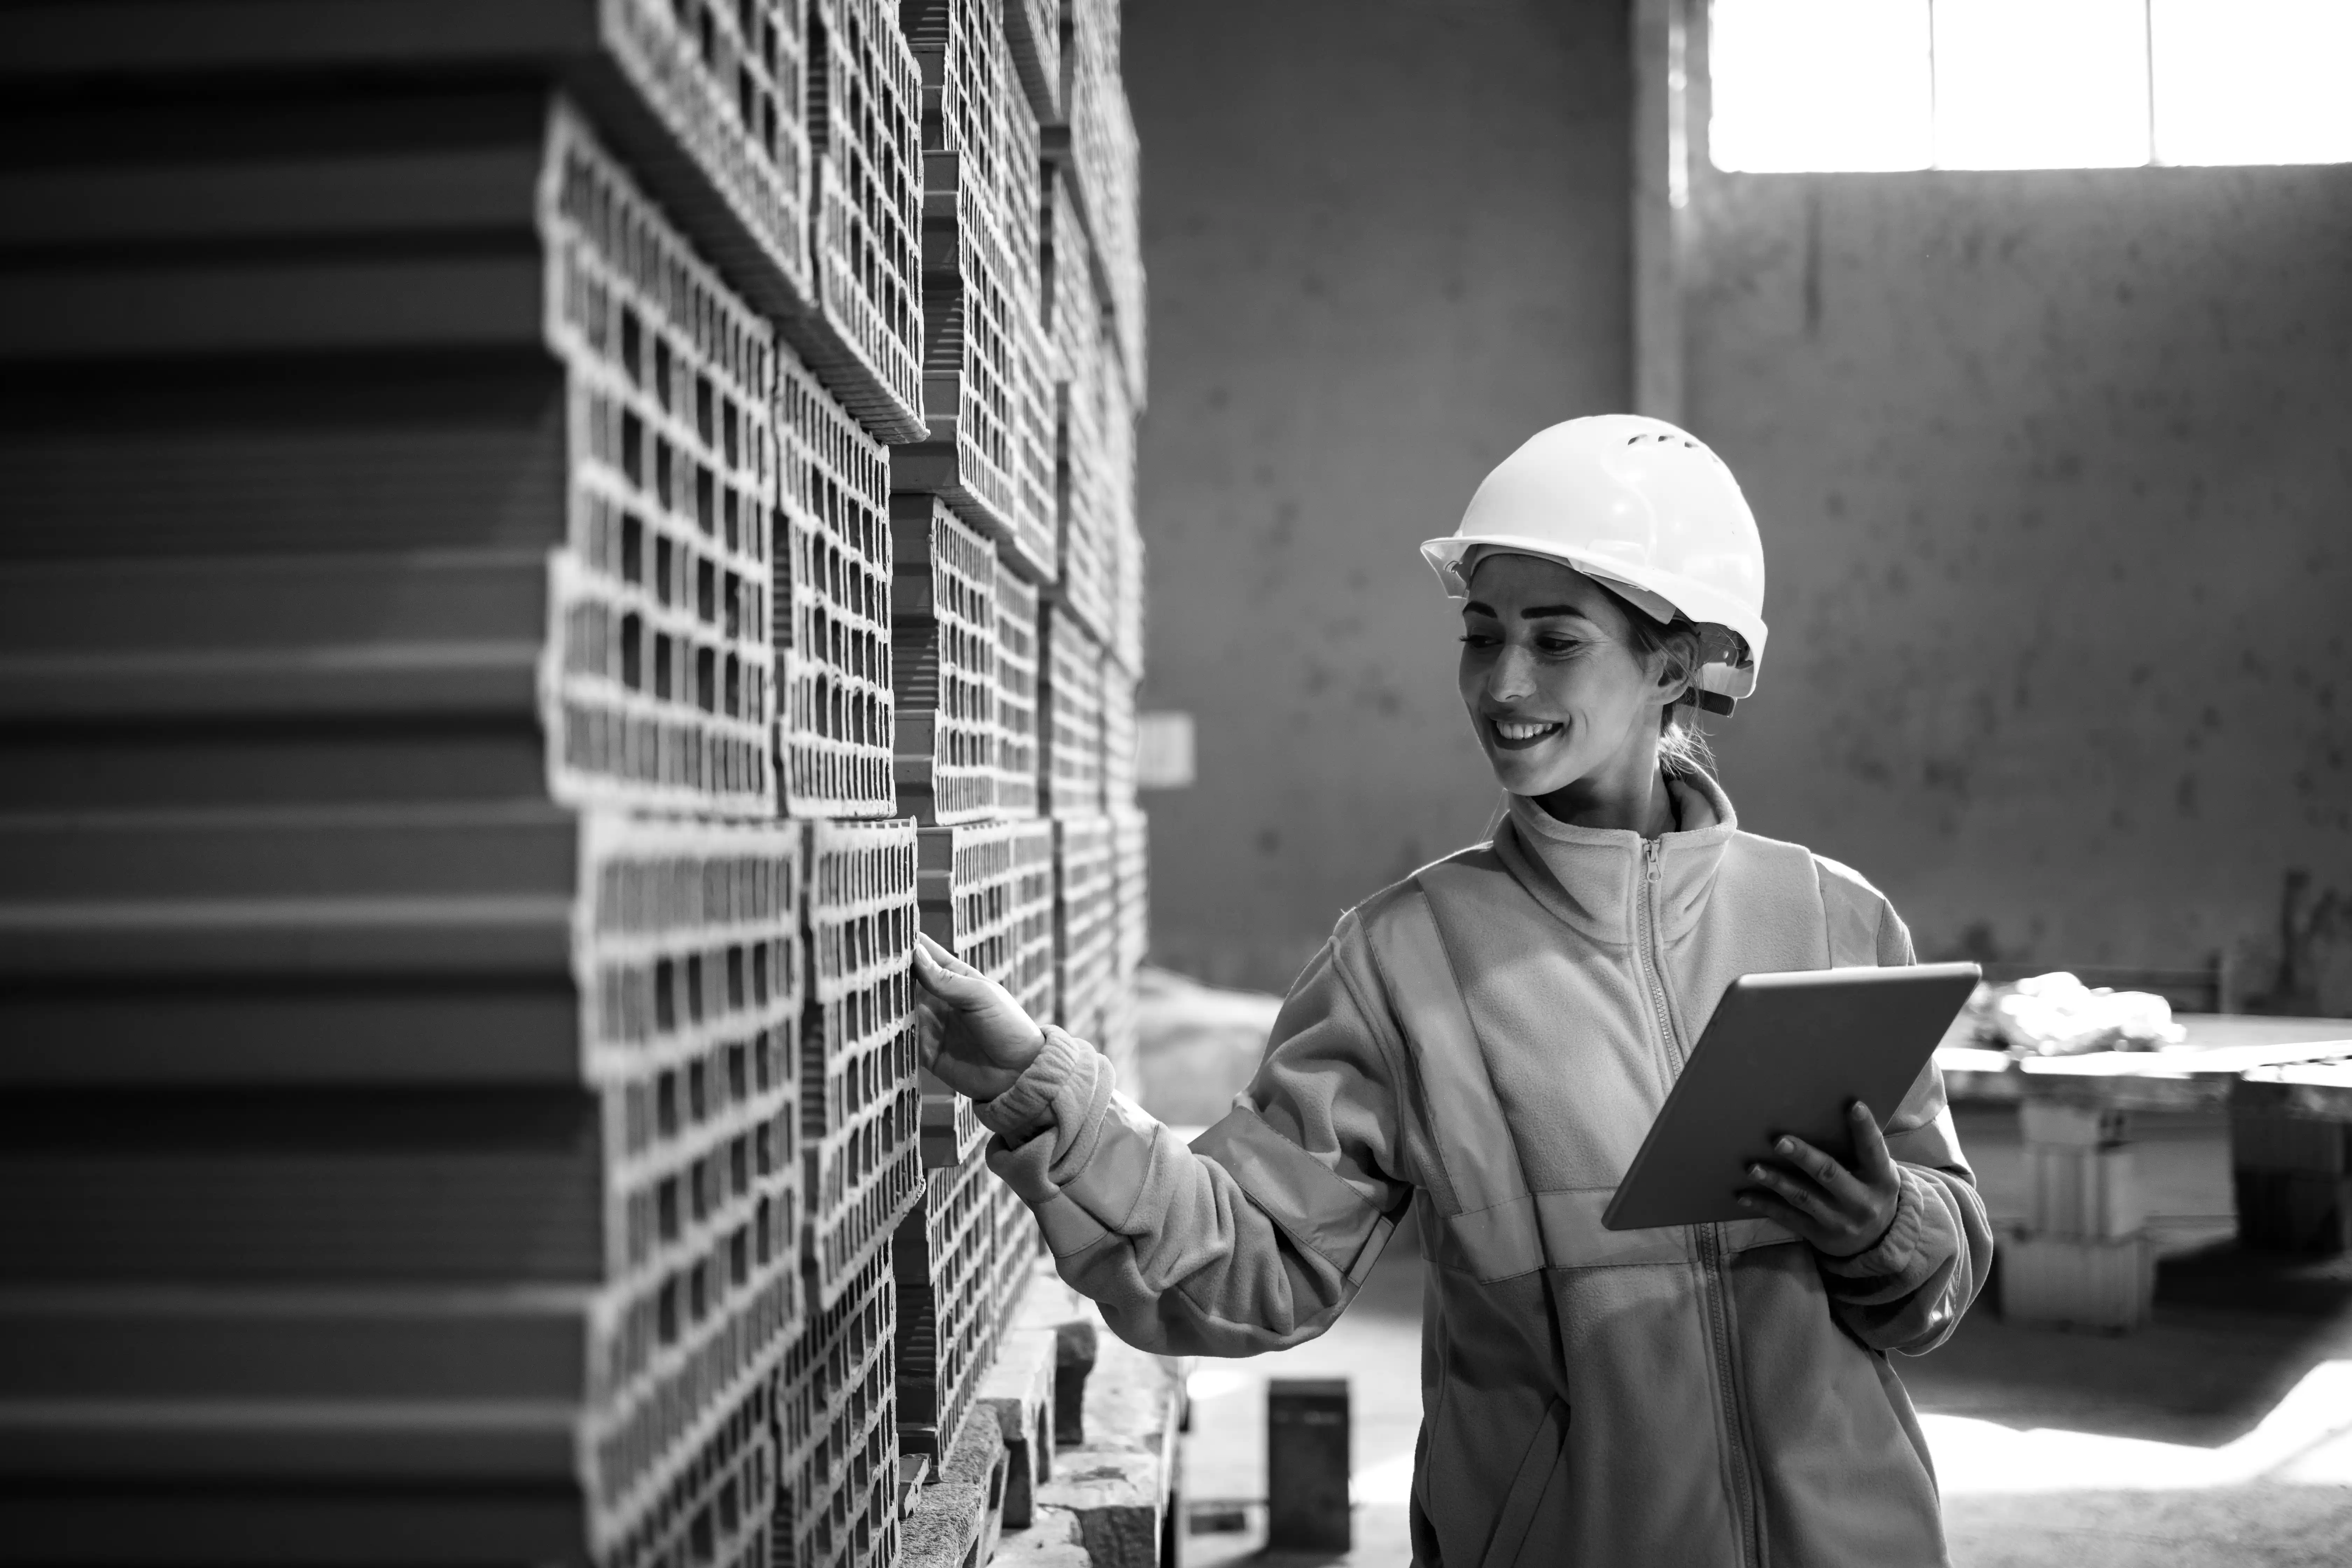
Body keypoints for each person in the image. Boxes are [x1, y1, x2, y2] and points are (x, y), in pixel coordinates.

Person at [911, 415, 1993, 1566]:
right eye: (1483, 636)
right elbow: (1251, 1264)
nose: (1503, 683)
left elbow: (1939, 1276)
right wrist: (1037, 1087)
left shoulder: (1831, 919)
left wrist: (1891, 1229)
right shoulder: (1404, 960)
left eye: (1557, 640)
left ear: (1676, 663)